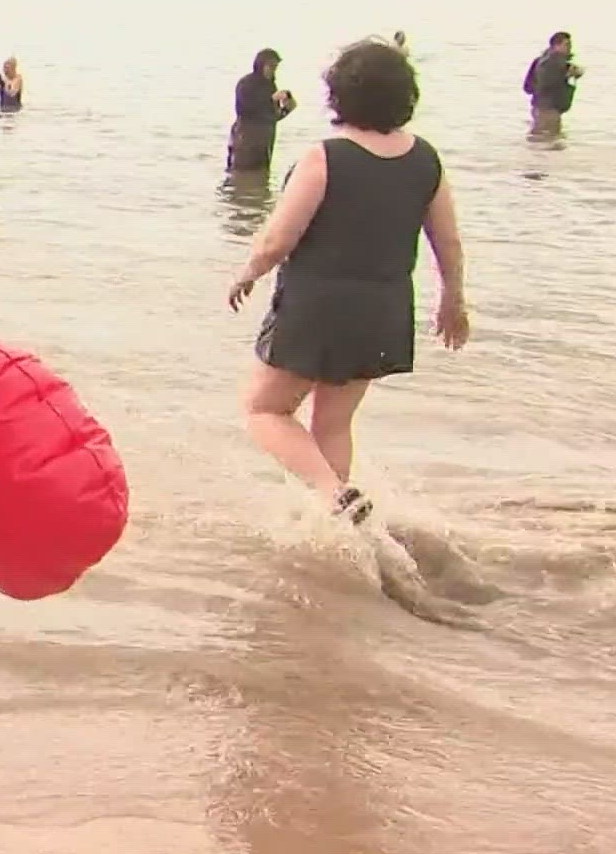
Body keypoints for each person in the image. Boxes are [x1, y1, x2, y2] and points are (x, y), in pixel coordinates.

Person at [226, 40, 469, 523]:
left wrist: (247, 273)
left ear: (340, 94)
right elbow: (448, 242)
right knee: (333, 425)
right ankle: (335, 524)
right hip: (384, 308)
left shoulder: (324, 158)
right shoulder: (426, 160)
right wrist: (453, 301)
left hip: (318, 305)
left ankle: (333, 495)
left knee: (264, 410)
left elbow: (279, 239)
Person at [227, 48, 296, 173]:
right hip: (245, 140)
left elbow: (270, 117)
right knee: (239, 174)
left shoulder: (270, 86)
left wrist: (286, 109)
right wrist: (271, 99)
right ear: (261, 65)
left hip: (264, 143)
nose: (273, 70)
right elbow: (244, 110)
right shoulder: (246, 83)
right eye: (271, 66)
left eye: (276, 67)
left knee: (262, 176)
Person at [524, 31, 583, 140]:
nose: (569, 48)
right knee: (549, 142)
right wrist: (568, 74)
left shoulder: (544, 60)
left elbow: (529, 87)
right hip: (548, 109)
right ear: (556, 45)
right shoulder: (551, 62)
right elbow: (547, 84)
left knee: (543, 141)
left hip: (543, 107)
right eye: (566, 44)